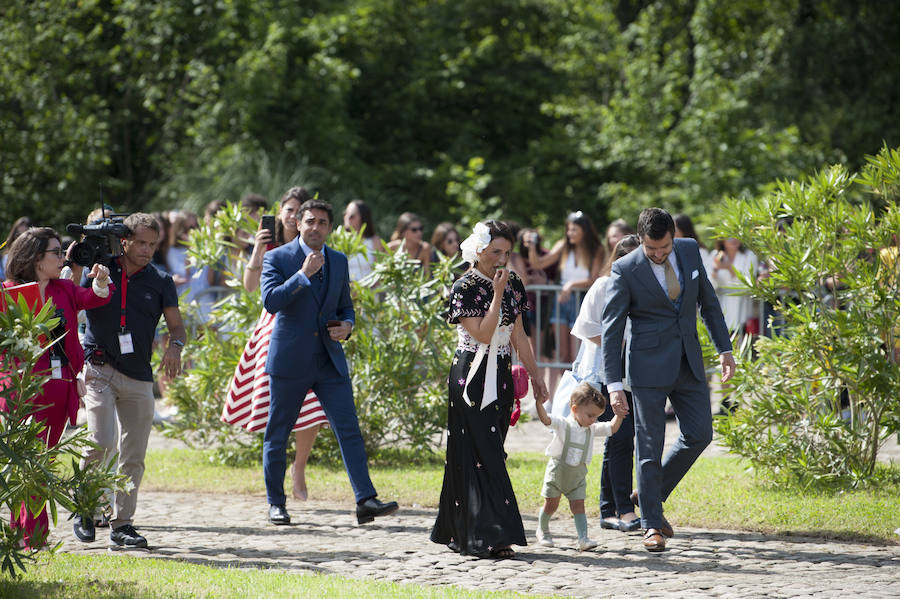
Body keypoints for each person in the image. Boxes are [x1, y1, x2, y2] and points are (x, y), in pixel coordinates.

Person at [602, 207, 735, 553]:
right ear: (641, 239)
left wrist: (725, 349)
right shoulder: (625, 268)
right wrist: (614, 384)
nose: (658, 255)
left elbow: (707, 301)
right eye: (651, 250)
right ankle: (650, 525)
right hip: (646, 368)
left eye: (664, 248)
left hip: (688, 362)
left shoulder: (690, 250)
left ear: (673, 237)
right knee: (648, 446)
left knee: (700, 433)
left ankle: (650, 494)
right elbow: (612, 330)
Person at [260, 196, 398, 526]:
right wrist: (302, 275)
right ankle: (276, 503)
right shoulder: (278, 257)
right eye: (310, 221)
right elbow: (270, 301)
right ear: (297, 223)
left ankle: (366, 500)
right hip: (290, 360)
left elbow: (345, 306)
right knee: (277, 434)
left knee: (349, 430)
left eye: (323, 223)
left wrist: (347, 326)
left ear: (330, 228)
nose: (316, 227)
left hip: (329, 360)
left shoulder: (338, 259)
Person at [431, 220, 549, 559]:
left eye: (507, 253)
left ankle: (470, 531)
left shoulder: (513, 281)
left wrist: (535, 374)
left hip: (500, 374)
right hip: (471, 374)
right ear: (479, 249)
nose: (502, 258)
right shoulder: (464, 286)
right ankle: (489, 535)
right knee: (479, 452)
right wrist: (496, 294)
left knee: (493, 449)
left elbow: (519, 335)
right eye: (496, 251)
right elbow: (483, 333)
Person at [74, 213, 186, 549]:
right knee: (101, 441)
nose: (147, 250)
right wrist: (81, 259)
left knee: (134, 455)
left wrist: (175, 347)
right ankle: (86, 506)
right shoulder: (101, 267)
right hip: (98, 369)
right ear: (124, 240)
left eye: (153, 244)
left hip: (139, 375)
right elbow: (72, 294)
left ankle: (122, 524)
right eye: (141, 242)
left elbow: (177, 327)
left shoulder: (161, 281)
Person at [2, 227, 111, 548]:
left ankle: (27, 532)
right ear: (36, 258)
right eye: (55, 252)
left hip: (60, 384)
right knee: (29, 460)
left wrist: (102, 281)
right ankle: (33, 534)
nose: (62, 256)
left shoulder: (64, 288)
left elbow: (92, 298)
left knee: (43, 459)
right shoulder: (8, 292)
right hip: (23, 387)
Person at [222, 187, 329, 502]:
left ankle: (299, 467)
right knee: (278, 408)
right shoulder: (269, 246)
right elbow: (250, 286)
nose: (295, 216)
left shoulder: (314, 244)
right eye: (290, 210)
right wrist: (257, 248)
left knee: (314, 402)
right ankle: (276, 476)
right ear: (281, 213)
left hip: (310, 331)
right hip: (274, 330)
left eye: (301, 211)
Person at [570, 234, 642, 533]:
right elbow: (585, 327)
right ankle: (621, 509)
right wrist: (619, 346)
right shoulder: (603, 285)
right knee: (620, 438)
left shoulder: (644, 289)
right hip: (605, 373)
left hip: (632, 374)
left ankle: (608, 508)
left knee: (623, 440)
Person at [533, 381, 623, 551]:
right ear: (574, 409)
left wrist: (618, 415)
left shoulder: (592, 429)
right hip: (557, 473)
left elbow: (611, 428)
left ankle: (583, 538)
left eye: (596, 416)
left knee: (578, 506)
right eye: (590, 415)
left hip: (577, 477)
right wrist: (539, 403)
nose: (593, 420)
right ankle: (542, 529)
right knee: (551, 504)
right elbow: (546, 419)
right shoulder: (562, 424)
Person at [524, 211, 604, 391]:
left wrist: (570, 285)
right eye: (568, 230)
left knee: (577, 353)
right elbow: (538, 264)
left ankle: (579, 394)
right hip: (561, 302)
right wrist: (531, 247)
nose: (570, 234)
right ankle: (566, 394)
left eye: (574, 230)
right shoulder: (564, 246)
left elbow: (593, 278)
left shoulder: (596, 249)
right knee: (561, 354)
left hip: (581, 302)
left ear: (584, 230)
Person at [343, 200, 385, 282]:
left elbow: (380, 273)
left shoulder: (375, 241)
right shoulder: (341, 241)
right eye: (345, 214)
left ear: (363, 217)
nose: (347, 218)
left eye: (351, 216)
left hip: (368, 291)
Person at [387, 212, 432, 277]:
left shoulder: (425, 248)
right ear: (403, 232)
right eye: (414, 230)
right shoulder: (391, 248)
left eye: (421, 228)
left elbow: (427, 277)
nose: (419, 233)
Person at [0, 216, 33, 281]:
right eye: (18, 235)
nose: (20, 239)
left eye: (25, 236)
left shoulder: (35, 256)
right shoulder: (6, 256)